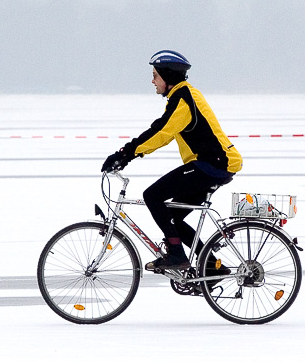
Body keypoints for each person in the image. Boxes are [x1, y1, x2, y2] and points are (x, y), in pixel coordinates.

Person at [101, 50, 242, 273]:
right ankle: (212, 266)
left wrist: (125, 154)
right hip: (212, 165)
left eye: (155, 75)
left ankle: (177, 255)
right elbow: (163, 133)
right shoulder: (183, 96)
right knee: (173, 218)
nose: (152, 80)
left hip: (212, 165)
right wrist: (129, 153)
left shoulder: (183, 99)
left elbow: (161, 132)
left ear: (168, 76)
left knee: (153, 196)